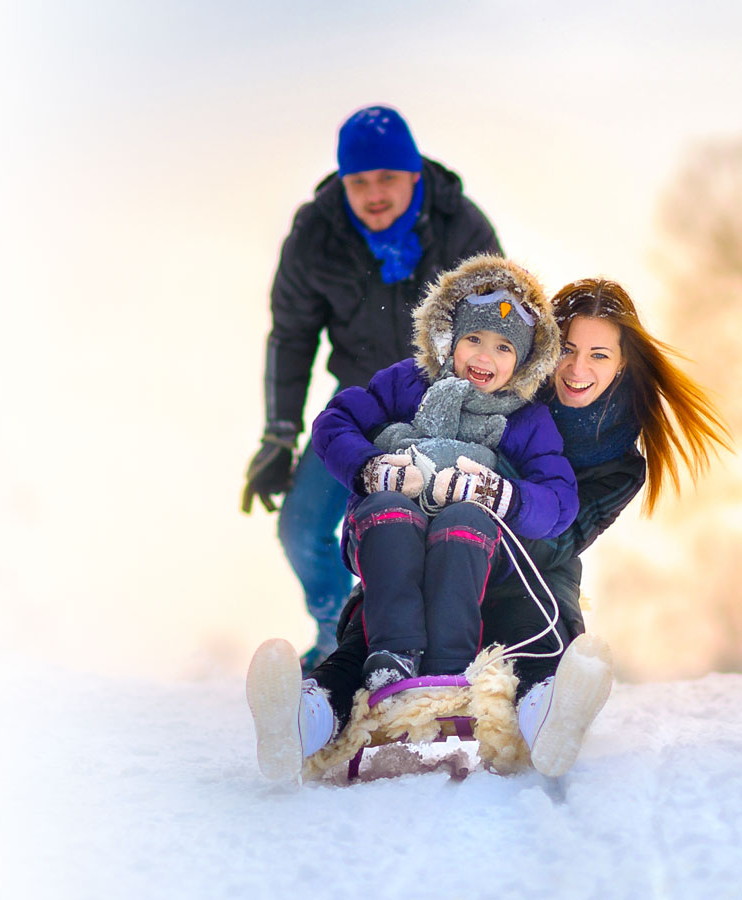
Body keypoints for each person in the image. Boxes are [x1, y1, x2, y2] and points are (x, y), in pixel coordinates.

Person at [246, 277, 731, 781]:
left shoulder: (614, 460)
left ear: (623, 363)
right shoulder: (504, 380)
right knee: (373, 629)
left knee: (535, 638)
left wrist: (494, 502)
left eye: (600, 355)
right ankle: (304, 718)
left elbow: (560, 532)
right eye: (566, 349)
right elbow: (348, 418)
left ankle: (550, 718)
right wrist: (379, 476)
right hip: (427, 538)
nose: (578, 368)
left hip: (525, 565)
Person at [247, 253, 581, 779]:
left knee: (462, 518)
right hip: (386, 537)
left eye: (503, 347)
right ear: (449, 336)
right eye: (473, 339)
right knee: (389, 508)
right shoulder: (408, 382)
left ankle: (449, 668)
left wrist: (502, 495)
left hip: (472, 553)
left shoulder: (526, 419)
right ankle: (356, 683)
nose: (484, 357)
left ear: (524, 362)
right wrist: (369, 467)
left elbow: (559, 500)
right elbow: (337, 421)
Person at [241, 105, 502, 672]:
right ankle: (340, 629)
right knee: (301, 528)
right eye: (359, 182)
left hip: (448, 407)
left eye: (387, 177)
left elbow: (503, 324)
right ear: (342, 183)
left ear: (413, 174)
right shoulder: (316, 234)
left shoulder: (461, 226)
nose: (374, 194)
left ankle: (459, 646)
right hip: (361, 408)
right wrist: (279, 433)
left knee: (443, 527)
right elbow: (291, 336)